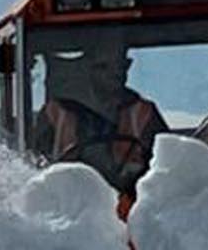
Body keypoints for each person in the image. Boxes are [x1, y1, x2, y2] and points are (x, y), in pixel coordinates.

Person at [37, 44, 168, 193]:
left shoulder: (143, 112)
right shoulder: (56, 112)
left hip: (134, 203)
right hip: (69, 203)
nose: (116, 73)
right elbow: (30, 162)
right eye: (104, 67)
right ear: (89, 69)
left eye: (121, 66)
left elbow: (167, 165)